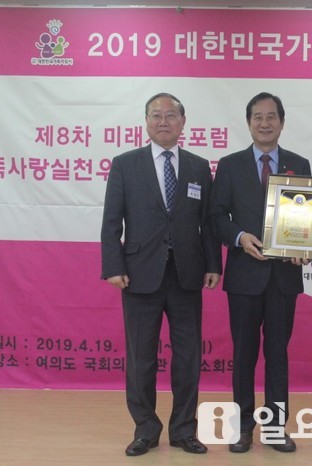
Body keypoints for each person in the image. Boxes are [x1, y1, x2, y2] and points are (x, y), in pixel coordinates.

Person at [100, 92, 222, 457]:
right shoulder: (125, 165)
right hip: (139, 275)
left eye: (171, 115)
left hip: (187, 274)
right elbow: (111, 221)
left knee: (187, 357)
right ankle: (146, 430)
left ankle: (184, 430)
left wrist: (213, 264)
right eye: (156, 115)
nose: (163, 121)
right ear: (146, 122)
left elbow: (207, 222)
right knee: (142, 358)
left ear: (183, 122)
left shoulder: (199, 166)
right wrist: (113, 266)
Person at [210, 92, 311, 453]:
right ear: (249, 122)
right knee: (244, 355)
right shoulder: (230, 165)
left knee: (278, 355)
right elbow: (216, 215)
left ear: (282, 122)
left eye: (271, 117)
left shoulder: (299, 164)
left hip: (284, 277)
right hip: (244, 275)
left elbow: (308, 218)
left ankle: (275, 427)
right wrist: (239, 237)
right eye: (258, 117)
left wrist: (304, 247)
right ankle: (242, 427)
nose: (265, 123)